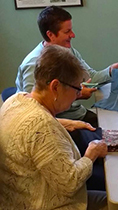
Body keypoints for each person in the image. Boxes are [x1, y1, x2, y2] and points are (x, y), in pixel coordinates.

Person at [0, 45, 108, 210]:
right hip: (48, 203)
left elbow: (25, 128)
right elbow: (70, 183)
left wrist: (66, 122)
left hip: (16, 198)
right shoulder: (41, 126)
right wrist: (91, 154)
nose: (78, 95)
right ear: (56, 87)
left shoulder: (16, 100)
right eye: (76, 89)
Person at [15, 5, 118, 127]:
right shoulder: (33, 64)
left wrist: (110, 71)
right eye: (67, 32)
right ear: (50, 35)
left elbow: (89, 79)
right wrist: (77, 94)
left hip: (77, 114)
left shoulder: (68, 51)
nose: (73, 35)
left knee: (116, 123)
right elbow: (35, 109)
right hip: (58, 124)